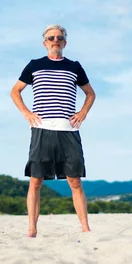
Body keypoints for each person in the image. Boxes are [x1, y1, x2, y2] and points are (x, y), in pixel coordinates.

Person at [10, 24, 96, 237]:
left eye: (59, 37)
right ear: (44, 42)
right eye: (51, 38)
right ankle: (32, 229)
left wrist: (83, 113)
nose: (55, 40)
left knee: (74, 180)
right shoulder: (34, 65)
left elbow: (90, 94)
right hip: (41, 130)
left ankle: (85, 228)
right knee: (36, 180)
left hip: (68, 130)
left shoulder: (74, 67)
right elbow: (15, 91)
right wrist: (26, 113)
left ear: (65, 42)